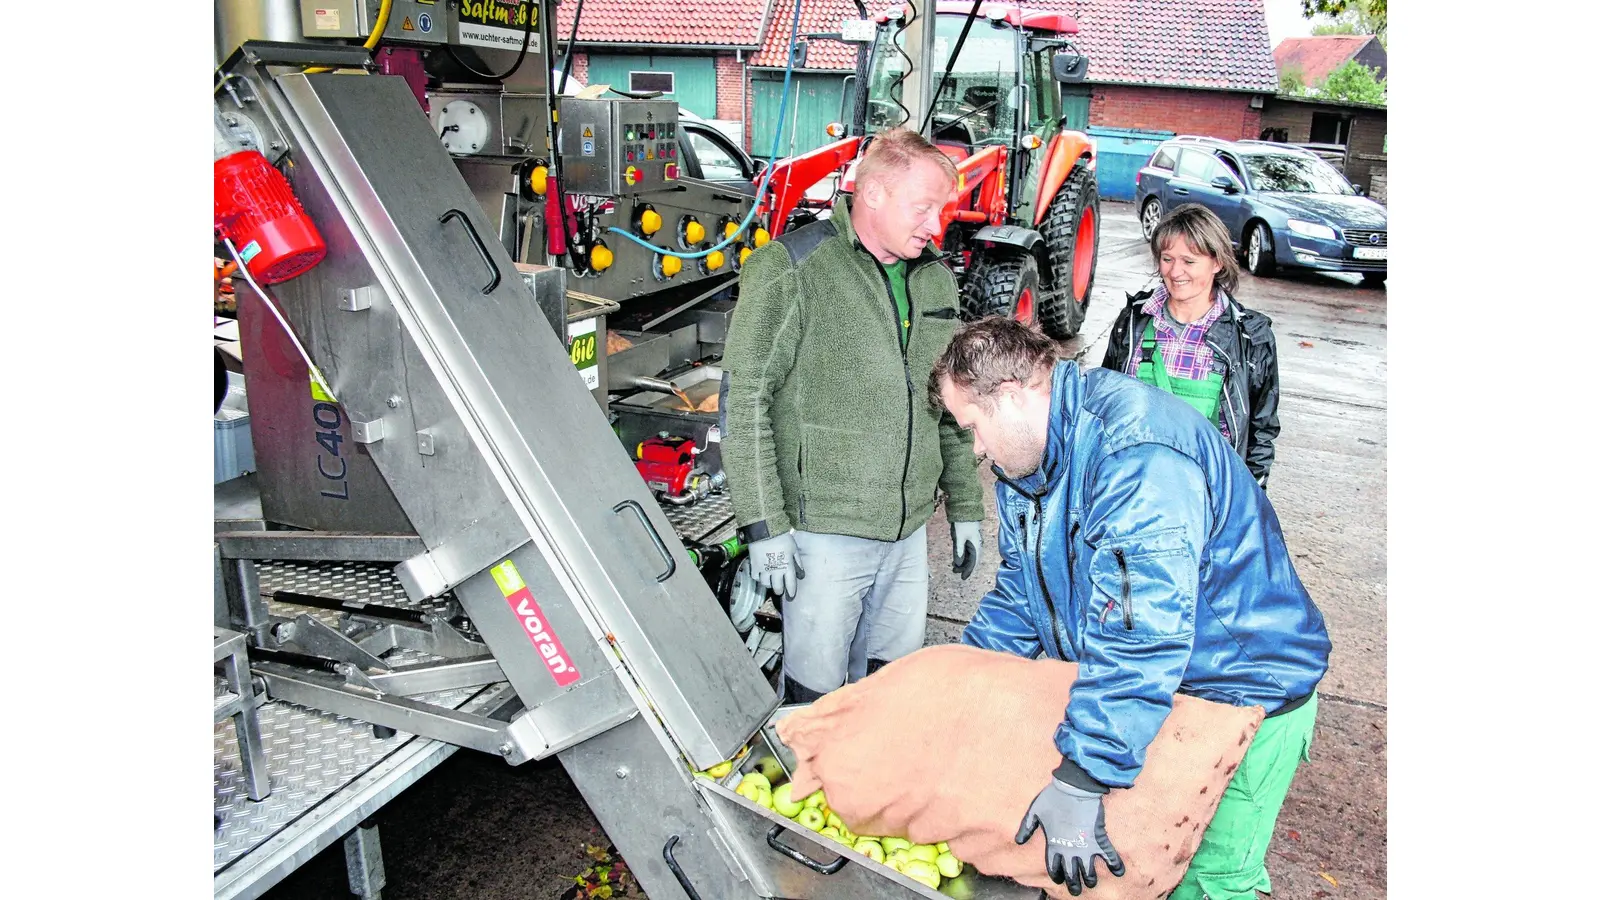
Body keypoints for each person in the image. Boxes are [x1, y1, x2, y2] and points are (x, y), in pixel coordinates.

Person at [930, 317, 1330, 899]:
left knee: (1208, 880)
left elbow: (1142, 630)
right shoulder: (1030, 461)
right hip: (1162, 693)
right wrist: (957, 684)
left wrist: (1085, 772)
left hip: (1243, 690)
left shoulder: (1137, 456)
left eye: (973, 426)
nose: (975, 448)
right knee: (1144, 866)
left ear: (1012, 396)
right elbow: (1022, 593)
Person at [720, 128, 986, 703]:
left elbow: (949, 403)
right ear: (873, 195)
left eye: (940, 211)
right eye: (924, 209)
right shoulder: (793, 268)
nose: (935, 226)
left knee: (891, 691)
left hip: (910, 529)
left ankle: (871, 794)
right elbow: (745, 401)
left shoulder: (934, 276)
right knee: (815, 701)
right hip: (824, 532)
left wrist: (965, 505)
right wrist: (764, 526)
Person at [1101, 204, 1282, 487]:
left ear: (1218, 262)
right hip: (1133, 489)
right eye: (1167, 259)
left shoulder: (1249, 338)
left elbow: (1261, 431)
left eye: (1189, 261)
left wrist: (1249, 500)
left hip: (1206, 493)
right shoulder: (1133, 322)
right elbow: (1105, 406)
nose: (1175, 272)